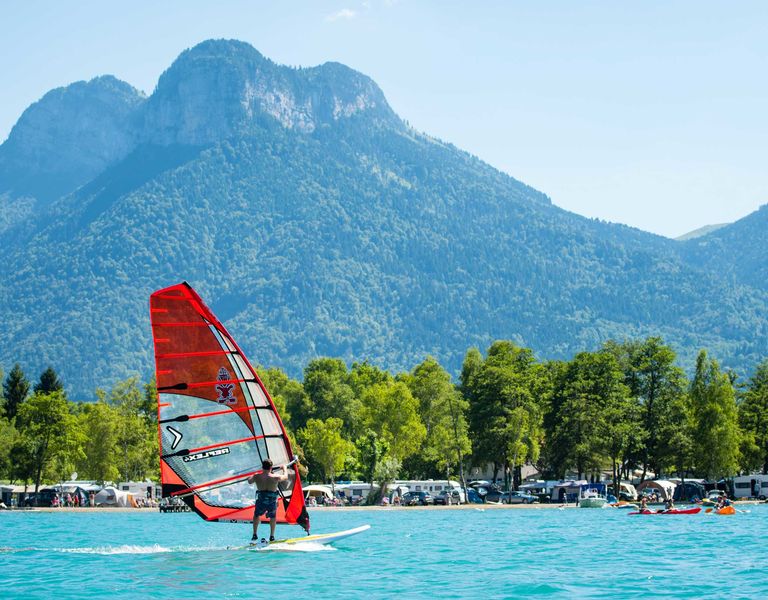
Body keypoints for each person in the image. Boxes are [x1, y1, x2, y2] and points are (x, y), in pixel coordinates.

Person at [247, 458, 287, 543]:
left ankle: (254, 534)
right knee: (273, 517)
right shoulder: (275, 477)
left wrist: (253, 474)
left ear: (262, 467)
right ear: (271, 467)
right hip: (271, 501)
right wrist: (284, 468)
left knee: (256, 515)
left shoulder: (256, 476)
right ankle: (272, 536)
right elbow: (285, 477)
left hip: (261, 500)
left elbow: (249, 481)